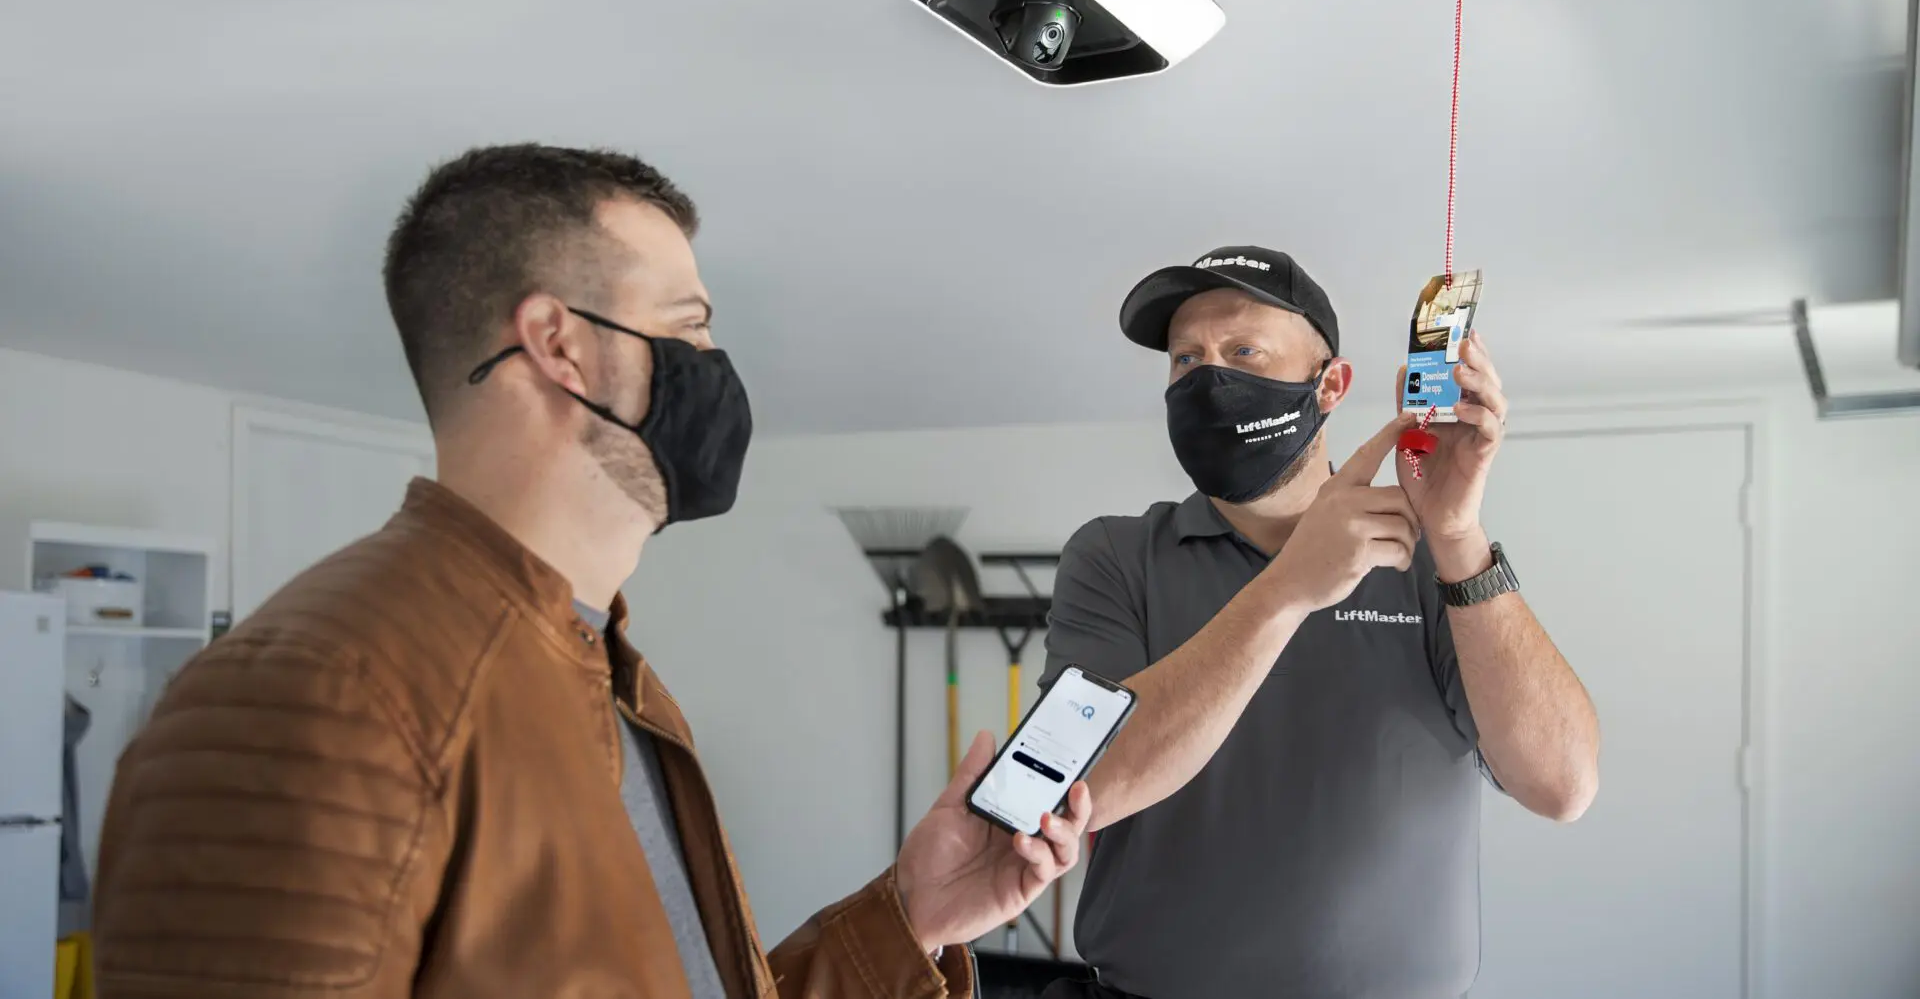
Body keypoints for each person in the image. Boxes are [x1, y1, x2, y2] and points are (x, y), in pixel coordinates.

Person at [91, 144, 1090, 998]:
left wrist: (916, 912)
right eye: (688, 326)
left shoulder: (609, 673)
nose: (717, 362)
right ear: (560, 343)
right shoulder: (317, 697)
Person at [1039, 246, 1600, 999]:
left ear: (1331, 385)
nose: (1207, 381)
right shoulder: (1116, 556)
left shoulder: (1430, 558)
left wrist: (1459, 537)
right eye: (1185, 361)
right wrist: (1289, 588)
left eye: (1243, 352)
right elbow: (1082, 789)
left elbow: (1562, 786)